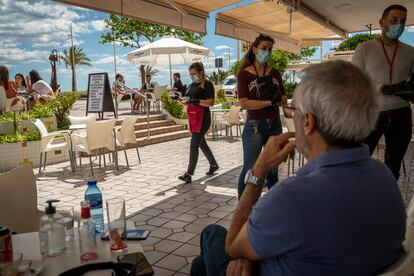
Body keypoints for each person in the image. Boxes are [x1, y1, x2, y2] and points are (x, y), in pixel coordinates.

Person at [191, 60, 406, 276]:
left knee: (212, 234)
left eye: (293, 110)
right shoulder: (384, 175)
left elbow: (233, 246)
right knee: (201, 265)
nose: (291, 115)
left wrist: (259, 169)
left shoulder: (291, 198)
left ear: (308, 122)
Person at [352, 4, 414, 180]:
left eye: (403, 21)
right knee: (359, 162)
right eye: (394, 20)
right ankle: (358, 199)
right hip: (372, 113)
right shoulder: (364, 49)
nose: (399, 25)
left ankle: (386, 203)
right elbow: (356, 80)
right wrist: (383, 88)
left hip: (401, 114)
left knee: (393, 167)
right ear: (382, 22)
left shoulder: (410, 52)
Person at [236, 33, 286, 198]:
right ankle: (243, 211)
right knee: (250, 168)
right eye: (264, 48)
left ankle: (273, 205)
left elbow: (284, 98)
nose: (267, 52)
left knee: (273, 168)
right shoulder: (244, 74)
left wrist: (278, 99)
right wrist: (270, 102)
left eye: (270, 49)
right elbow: (244, 102)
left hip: (275, 125)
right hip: (254, 126)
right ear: (255, 48)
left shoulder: (275, 73)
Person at [177, 62, 219, 183]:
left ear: (201, 72)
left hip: (203, 118)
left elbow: (211, 102)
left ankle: (189, 173)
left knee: (194, 144)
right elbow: (187, 102)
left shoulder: (207, 84)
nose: (192, 76)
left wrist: (196, 101)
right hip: (193, 118)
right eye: (190, 74)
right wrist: (178, 99)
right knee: (202, 143)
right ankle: (213, 164)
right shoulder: (191, 85)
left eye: (194, 74)